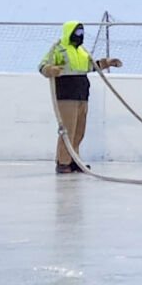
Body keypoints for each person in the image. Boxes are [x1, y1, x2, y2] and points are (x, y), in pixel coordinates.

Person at [38, 20, 121, 173]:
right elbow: (42, 66)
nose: (80, 36)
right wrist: (51, 69)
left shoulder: (81, 51)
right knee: (68, 130)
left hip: (82, 94)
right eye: (77, 32)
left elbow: (90, 66)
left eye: (82, 32)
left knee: (79, 130)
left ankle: (74, 159)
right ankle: (63, 162)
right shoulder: (59, 49)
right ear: (69, 32)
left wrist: (107, 63)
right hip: (66, 95)